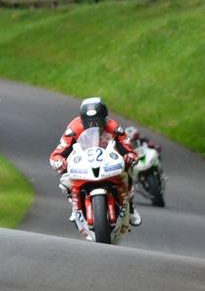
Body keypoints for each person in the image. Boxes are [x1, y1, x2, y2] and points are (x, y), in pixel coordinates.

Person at [49, 97, 142, 228]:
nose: (93, 125)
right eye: (89, 121)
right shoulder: (73, 128)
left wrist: (130, 156)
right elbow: (59, 151)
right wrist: (59, 161)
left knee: (129, 170)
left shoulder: (114, 127)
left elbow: (128, 147)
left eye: (97, 121)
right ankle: (75, 206)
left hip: (108, 159)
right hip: (83, 159)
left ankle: (130, 206)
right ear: (82, 120)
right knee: (64, 181)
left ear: (105, 119)